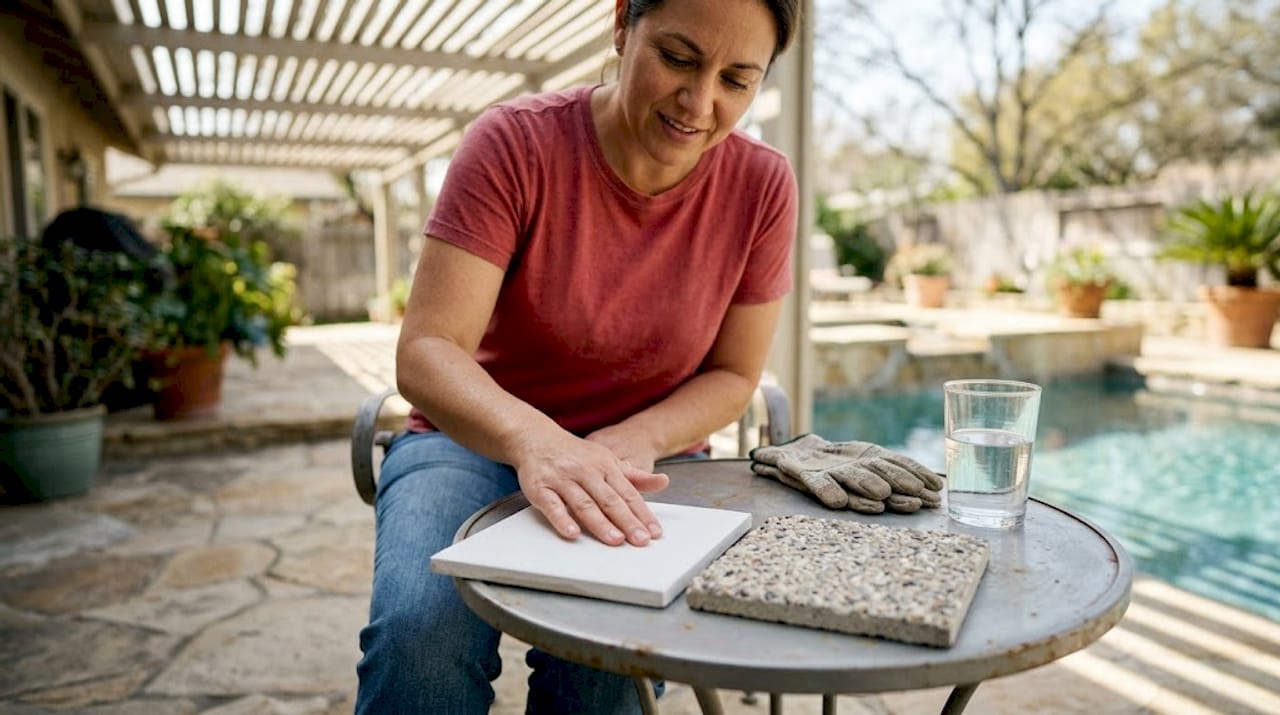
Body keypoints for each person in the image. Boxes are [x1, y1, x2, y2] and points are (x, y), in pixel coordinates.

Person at [355, 0, 800, 711]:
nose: (700, 102)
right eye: (679, 59)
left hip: (643, 458)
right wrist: (539, 441)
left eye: (737, 80)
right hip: (469, 440)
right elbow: (429, 350)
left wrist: (637, 437)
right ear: (624, 23)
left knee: (612, 659)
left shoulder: (763, 186)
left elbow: (734, 373)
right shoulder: (514, 144)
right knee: (421, 637)